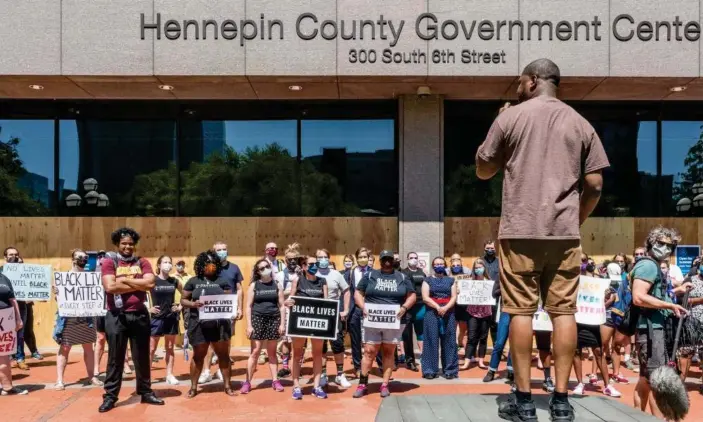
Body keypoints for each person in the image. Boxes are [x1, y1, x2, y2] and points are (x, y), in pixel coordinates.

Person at [476, 58, 610, 421]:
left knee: (519, 311)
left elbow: (483, 169)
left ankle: (523, 400)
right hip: (564, 233)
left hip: (519, 230)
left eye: (520, 82)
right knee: (563, 312)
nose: (517, 88)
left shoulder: (510, 117)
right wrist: (575, 220)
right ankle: (562, 402)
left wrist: (501, 127)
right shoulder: (581, 123)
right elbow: (595, 185)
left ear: (533, 81)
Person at [99, 227, 163, 412]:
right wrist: (137, 284)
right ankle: (110, 396)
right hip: (116, 315)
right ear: (117, 244)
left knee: (142, 356)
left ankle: (145, 392)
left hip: (140, 314)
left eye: (130, 243)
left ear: (134, 244)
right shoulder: (109, 262)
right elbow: (110, 287)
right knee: (115, 358)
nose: (127, 246)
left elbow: (150, 284)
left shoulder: (142, 262)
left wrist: (124, 281)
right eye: (123, 243)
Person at [631, 227, 689, 418]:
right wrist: (669, 306)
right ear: (651, 242)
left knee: (646, 380)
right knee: (657, 381)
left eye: (669, 246)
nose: (664, 248)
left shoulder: (654, 265)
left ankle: (638, 417)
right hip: (650, 330)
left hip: (652, 329)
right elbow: (638, 297)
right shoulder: (648, 265)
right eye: (661, 243)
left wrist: (676, 292)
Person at [353, 250, 416, 398]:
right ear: (379, 261)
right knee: (369, 351)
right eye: (384, 259)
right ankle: (363, 383)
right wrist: (363, 307)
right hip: (372, 320)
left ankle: (384, 384)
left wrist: (404, 307)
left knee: (388, 352)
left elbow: (412, 295)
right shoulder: (370, 275)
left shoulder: (402, 277)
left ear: (393, 261)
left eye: (389, 259)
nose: (387, 262)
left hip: (394, 321)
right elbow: (358, 293)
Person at [181, 250, 235, 398]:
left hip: (219, 324)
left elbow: (229, 297)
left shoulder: (222, 280)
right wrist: (193, 304)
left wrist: (225, 300)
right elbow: (183, 300)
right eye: (207, 264)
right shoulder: (193, 281)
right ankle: (193, 387)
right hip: (198, 324)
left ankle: (228, 386)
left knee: (223, 355)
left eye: (213, 264)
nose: (210, 267)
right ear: (201, 265)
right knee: (198, 356)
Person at [53, 249, 101, 390]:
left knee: (88, 347)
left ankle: (92, 376)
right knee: (65, 347)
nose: (83, 260)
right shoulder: (64, 277)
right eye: (80, 257)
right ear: (73, 259)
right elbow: (59, 299)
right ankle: (60, 380)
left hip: (87, 318)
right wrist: (56, 292)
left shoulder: (91, 277)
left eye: (85, 257)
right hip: (68, 318)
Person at [198, 242, 243, 384]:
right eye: (219, 250)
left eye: (224, 249)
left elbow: (239, 289)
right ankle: (206, 371)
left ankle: (221, 369)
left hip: (228, 311)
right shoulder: (209, 268)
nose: (222, 252)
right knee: (210, 342)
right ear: (214, 252)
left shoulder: (234, 268)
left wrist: (239, 308)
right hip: (211, 311)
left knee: (226, 341)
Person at [285, 255, 328, 400]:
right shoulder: (298, 280)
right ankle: (296, 386)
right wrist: (287, 303)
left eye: (316, 263)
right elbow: (290, 299)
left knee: (317, 355)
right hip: (299, 324)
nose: (314, 266)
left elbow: (327, 303)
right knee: (297, 355)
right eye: (310, 264)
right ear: (303, 266)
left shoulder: (322, 281)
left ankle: (316, 386)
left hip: (318, 324)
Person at [241, 258, 286, 394]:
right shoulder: (254, 285)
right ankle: (247, 382)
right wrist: (249, 325)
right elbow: (248, 306)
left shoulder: (277, 284)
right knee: (255, 352)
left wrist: (282, 324)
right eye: (261, 268)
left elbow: (282, 305)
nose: (265, 269)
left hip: (274, 319)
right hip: (257, 319)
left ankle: (275, 381)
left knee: (272, 353)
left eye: (267, 266)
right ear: (258, 272)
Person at [315, 249, 352, 389]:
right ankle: (323, 374)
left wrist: (346, 309)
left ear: (329, 259)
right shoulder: (312, 274)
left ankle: (340, 374)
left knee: (337, 343)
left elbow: (346, 291)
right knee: (321, 345)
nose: (323, 259)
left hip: (334, 312)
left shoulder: (336, 274)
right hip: (317, 314)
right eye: (320, 257)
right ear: (316, 259)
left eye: (325, 257)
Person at [2, 247, 41, 371]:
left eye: (16, 254)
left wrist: (39, 294)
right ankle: (9, 359)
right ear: (5, 257)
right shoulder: (1, 272)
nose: (14, 256)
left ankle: (20, 358)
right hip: (5, 307)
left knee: (20, 333)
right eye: (11, 254)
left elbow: (34, 286)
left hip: (21, 305)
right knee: (6, 334)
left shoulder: (25, 271)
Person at [421, 257, 458, 379]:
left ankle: (450, 370)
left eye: (441, 264)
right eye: (436, 264)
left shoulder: (451, 280)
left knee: (449, 340)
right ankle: (430, 370)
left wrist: (446, 307)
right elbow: (425, 297)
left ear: (445, 265)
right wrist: (438, 307)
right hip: (432, 312)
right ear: (433, 266)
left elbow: (453, 297)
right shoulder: (427, 280)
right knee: (431, 340)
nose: (439, 266)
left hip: (448, 312)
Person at [148, 255, 182, 385]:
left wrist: (180, 306)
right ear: (158, 265)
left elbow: (187, 293)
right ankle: (147, 376)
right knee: (151, 349)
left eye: (169, 262)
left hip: (171, 318)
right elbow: (140, 295)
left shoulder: (174, 281)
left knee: (169, 347)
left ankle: (169, 374)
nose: (167, 264)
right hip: (156, 318)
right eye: (165, 262)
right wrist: (148, 308)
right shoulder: (153, 280)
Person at [274, 243, 302, 378]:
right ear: (285, 260)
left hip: (300, 310)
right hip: (286, 309)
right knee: (285, 339)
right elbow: (276, 293)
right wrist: (284, 301)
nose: (292, 262)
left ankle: (297, 366)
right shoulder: (279, 275)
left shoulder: (304, 273)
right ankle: (285, 367)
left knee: (299, 340)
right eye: (289, 259)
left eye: (295, 259)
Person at [0, 266, 27, 395]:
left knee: (5, 357)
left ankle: (7, 387)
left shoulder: (4, 278)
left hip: (5, 320)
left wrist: (18, 318)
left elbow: (12, 298)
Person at [401, 251, 426, 372]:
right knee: (407, 334)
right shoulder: (403, 273)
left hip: (421, 306)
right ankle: (409, 360)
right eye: (411, 258)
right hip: (408, 307)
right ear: (407, 259)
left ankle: (424, 357)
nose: (413, 259)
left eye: (415, 257)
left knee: (421, 332)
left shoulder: (422, 272)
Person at [348, 247, 372, 375]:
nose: (363, 259)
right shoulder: (350, 273)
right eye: (360, 257)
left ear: (369, 258)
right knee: (355, 339)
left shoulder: (374, 273)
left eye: (365, 257)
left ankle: (378, 365)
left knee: (373, 339)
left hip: (371, 309)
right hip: (354, 309)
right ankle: (357, 367)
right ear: (356, 259)